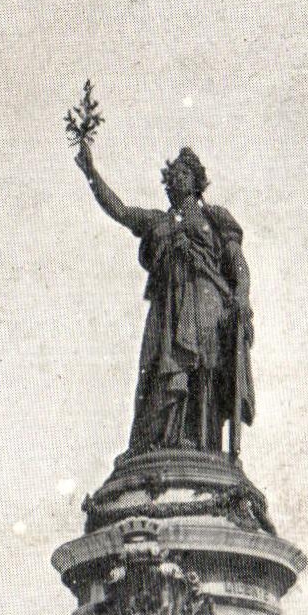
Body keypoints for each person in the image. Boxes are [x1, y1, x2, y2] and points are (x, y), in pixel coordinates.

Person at [75, 142, 254, 458]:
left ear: (197, 180)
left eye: (185, 173)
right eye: (173, 175)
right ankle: (159, 441)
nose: (177, 179)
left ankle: (201, 444)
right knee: (160, 367)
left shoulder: (214, 217)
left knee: (203, 372)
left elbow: (237, 261)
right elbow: (121, 211)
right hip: (168, 306)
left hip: (206, 302)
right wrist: (91, 173)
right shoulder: (158, 221)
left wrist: (241, 295)